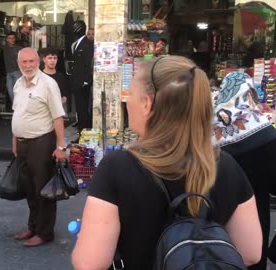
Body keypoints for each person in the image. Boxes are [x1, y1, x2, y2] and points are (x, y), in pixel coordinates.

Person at [72, 56, 262, 269]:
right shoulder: (224, 165)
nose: (127, 101)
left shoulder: (116, 168)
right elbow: (251, 253)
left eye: (130, 94)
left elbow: (89, 263)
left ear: (147, 103)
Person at [212, 72, 276, 270]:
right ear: (250, 93)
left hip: (214, 218)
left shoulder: (208, 131)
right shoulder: (266, 134)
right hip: (255, 220)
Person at [12, 48, 66, 247]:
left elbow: (58, 117)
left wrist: (61, 146)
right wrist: (15, 141)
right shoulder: (18, 84)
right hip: (23, 144)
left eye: (31, 61)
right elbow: (17, 114)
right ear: (18, 63)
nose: (28, 65)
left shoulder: (48, 84)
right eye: (24, 62)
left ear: (38, 61)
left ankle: (45, 232)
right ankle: (33, 226)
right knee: (29, 189)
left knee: (44, 190)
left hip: (42, 143)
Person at [69, 20, 94, 142]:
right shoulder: (77, 44)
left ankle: (83, 132)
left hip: (82, 83)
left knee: (83, 108)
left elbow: (88, 63)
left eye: (75, 28)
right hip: (77, 81)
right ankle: (82, 130)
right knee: (80, 108)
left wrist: (86, 80)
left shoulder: (87, 44)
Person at [1, 32, 23, 103]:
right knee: (10, 92)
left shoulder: (19, 48)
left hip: (17, 72)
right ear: (7, 39)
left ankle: (18, 108)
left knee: (18, 91)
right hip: (8, 73)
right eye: (10, 38)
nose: (12, 40)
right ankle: (15, 107)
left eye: (13, 38)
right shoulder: (4, 48)